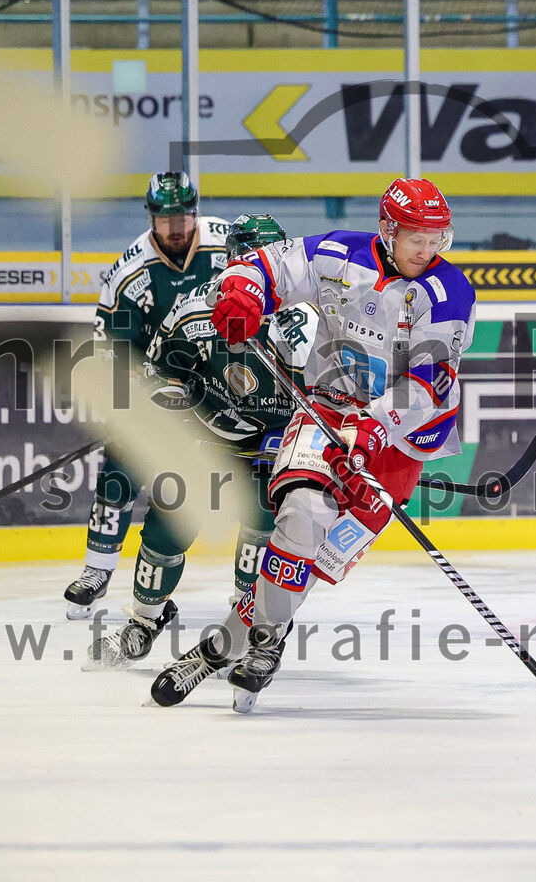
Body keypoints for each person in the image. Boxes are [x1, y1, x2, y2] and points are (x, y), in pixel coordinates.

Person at [149, 178, 476, 712]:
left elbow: (430, 384)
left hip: (401, 441)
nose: (426, 249)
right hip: (325, 409)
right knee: (301, 518)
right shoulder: (336, 253)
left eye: (435, 238)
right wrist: (243, 292)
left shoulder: (450, 293)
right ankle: (266, 644)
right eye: (416, 237)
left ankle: (220, 647)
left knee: (316, 561)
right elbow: (265, 266)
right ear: (388, 230)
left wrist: (375, 427)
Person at [85, 213, 320, 668]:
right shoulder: (194, 310)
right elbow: (159, 371)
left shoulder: (307, 323)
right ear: (229, 263)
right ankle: (145, 621)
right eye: (245, 262)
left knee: (262, 529)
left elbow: (331, 398)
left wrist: (309, 441)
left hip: (276, 442)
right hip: (211, 437)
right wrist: (169, 390)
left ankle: (250, 628)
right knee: (167, 522)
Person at [63, 171, 231, 620]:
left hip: (225, 385)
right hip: (160, 386)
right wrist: (146, 390)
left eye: (183, 217)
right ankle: (97, 570)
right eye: (165, 218)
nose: (176, 227)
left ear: (196, 212)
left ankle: (241, 591)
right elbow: (111, 354)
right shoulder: (130, 273)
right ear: (151, 218)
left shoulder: (227, 248)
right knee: (120, 466)